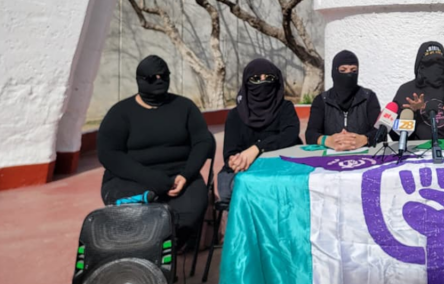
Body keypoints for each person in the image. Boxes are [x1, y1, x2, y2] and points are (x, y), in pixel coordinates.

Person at [97, 55, 215, 249]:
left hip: (180, 176)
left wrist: (186, 175)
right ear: (140, 80)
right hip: (131, 178)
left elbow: (202, 142)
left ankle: (166, 260)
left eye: (164, 76)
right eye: (152, 78)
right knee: (137, 221)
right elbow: (109, 154)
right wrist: (153, 179)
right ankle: (143, 262)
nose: (159, 81)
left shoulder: (185, 107)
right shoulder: (120, 113)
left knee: (185, 218)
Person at [218, 59, 301, 202]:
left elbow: (290, 135)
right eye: (255, 79)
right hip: (246, 168)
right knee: (229, 188)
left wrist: (257, 149)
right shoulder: (235, 115)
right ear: (246, 82)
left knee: (287, 187)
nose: (263, 83)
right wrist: (234, 161)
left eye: (269, 78)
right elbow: (230, 152)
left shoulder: (285, 108)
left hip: (280, 166)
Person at [305, 50, 382, 150]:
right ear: (334, 71)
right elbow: (310, 134)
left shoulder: (368, 98)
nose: (348, 75)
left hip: (364, 157)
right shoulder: (322, 100)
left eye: (353, 71)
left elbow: (380, 132)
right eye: (343, 70)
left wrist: (364, 139)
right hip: (330, 158)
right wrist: (328, 140)